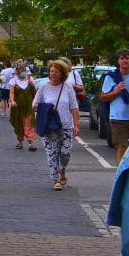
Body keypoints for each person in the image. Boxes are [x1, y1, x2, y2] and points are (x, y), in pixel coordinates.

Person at [32, 60, 80, 190]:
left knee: (65, 153)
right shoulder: (44, 87)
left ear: (62, 73)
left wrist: (76, 125)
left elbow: (74, 107)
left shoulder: (68, 87)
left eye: (56, 71)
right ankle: (56, 179)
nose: (53, 74)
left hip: (66, 125)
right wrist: (44, 107)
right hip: (50, 126)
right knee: (52, 153)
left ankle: (62, 169)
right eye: (51, 71)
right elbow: (35, 104)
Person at [101, 49, 129, 164]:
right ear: (118, 61)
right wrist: (117, 91)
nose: (124, 61)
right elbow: (103, 97)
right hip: (118, 119)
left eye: (127, 58)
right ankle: (120, 176)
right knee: (121, 148)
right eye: (122, 58)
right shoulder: (111, 77)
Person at [8, 65, 37, 151]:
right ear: (17, 72)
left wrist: (32, 85)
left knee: (29, 124)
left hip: (28, 107)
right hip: (18, 108)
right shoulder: (13, 81)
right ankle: (20, 142)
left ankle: (31, 143)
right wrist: (12, 101)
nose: (24, 73)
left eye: (25, 71)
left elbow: (34, 93)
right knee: (19, 125)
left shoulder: (30, 80)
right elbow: (11, 92)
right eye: (22, 71)